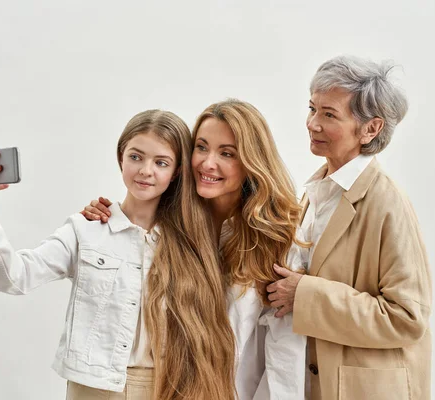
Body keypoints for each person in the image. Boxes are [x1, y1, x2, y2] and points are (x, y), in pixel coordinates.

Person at [0, 110, 236, 400]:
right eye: (135, 157)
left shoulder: (194, 240)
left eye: (161, 162)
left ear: (177, 170)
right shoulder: (86, 230)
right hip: (94, 389)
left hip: (169, 388)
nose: (145, 170)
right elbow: (13, 278)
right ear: (120, 157)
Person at [83, 100, 308, 400]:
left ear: (252, 162)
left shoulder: (277, 238)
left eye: (226, 153)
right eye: (201, 147)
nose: (207, 163)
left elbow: (285, 355)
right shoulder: (168, 225)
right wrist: (104, 216)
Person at [265, 55, 432, 400]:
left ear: (371, 129)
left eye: (329, 115)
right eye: (312, 109)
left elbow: (408, 317)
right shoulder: (315, 193)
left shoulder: (387, 202)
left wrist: (305, 294)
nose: (312, 123)